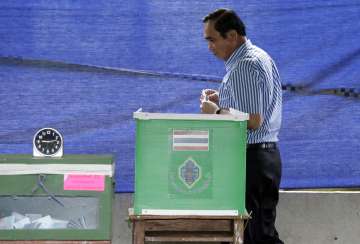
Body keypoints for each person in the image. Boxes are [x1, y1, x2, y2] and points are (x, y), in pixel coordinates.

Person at [200, 9, 284, 244]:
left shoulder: (244, 65)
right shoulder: (258, 57)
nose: (209, 47)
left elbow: (253, 121)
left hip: (254, 159)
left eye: (212, 39)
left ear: (232, 35)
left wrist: (215, 112)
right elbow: (255, 106)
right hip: (263, 156)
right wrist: (223, 98)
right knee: (258, 233)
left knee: (258, 236)